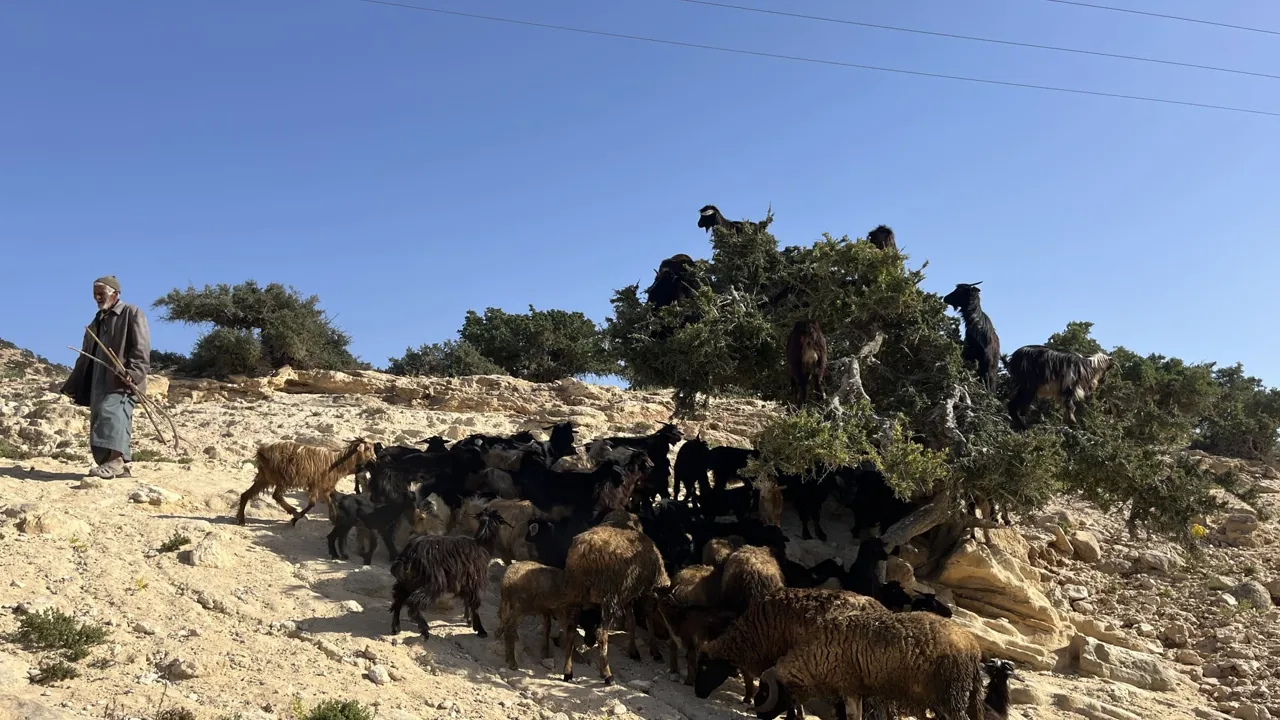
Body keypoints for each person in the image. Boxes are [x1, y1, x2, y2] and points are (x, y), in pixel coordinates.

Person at [60, 275, 151, 479]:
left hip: (122, 379)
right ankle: (115, 465)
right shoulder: (96, 321)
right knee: (100, 419)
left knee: (115, 416)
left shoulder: (131, 312)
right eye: (95, 295)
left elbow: (142, 347)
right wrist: (72, 384)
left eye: (101, 293)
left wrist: (134, 372)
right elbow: (85, 356)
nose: (98, 298)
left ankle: (116, 462)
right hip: (98, 381)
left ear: (115, 294)